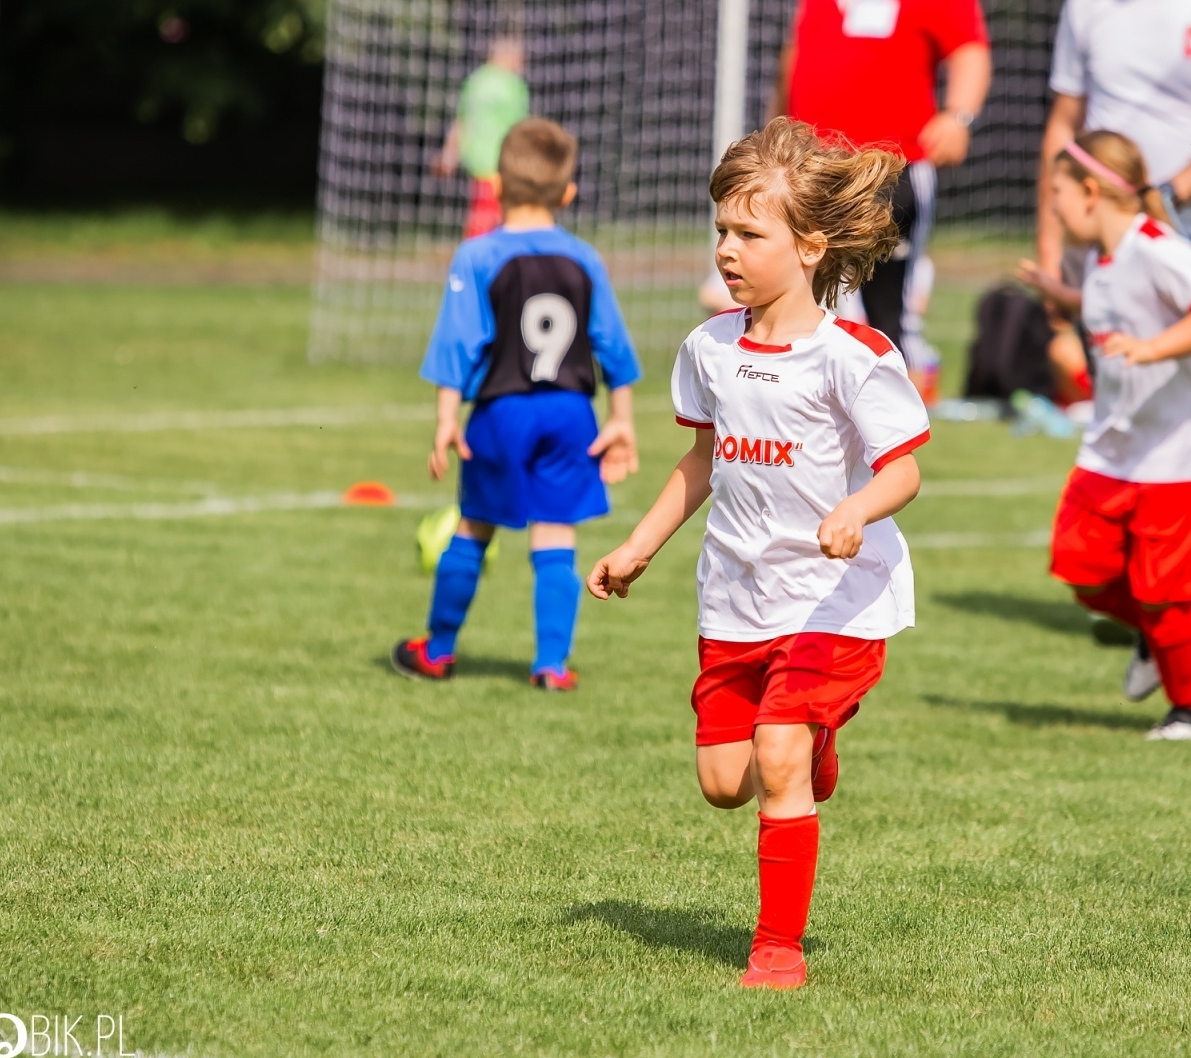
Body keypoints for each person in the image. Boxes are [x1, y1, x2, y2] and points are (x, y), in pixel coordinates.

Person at [587, 118, 930, 989]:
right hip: (736, 596)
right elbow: (701, 460)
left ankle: (776, 949)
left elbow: (905, 472)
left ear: (811, 247)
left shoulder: (853, 357)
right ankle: (810, 749)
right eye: (722, 233)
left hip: (836, 599)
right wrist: (637, 546)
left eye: (749, 234)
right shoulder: (709, 349)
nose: (728, 251)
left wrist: (857, 507)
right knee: (722, 781)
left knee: (775, 755)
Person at [396, 118, 641, 691]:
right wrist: (622, 419)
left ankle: (437, 650)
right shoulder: (584, 259)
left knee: (474, 529)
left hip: (502, 412)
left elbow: (457, 346)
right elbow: (614, 347)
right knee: (556, 533)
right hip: (570, 414)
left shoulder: (477, 256)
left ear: (498, 188)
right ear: (568, 194)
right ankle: (551, 665)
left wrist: (444, 422)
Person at [1020, 131, 1191, 741]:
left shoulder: (1157, 246)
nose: (1056, 208)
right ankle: (1153, 635)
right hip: (1115, 445)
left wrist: (1152, 348)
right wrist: (1060, 295)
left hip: (1180, 452)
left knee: (1165, 593)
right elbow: (1111, 310)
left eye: (1059, 194)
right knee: (1079, 565)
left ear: (1091, 192)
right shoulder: (1103, 256)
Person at [1038, 0, 1191, 519]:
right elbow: (1065, 123)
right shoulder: (1084, 8)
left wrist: (1164, 198)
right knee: (1120, 395)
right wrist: (1051, 241)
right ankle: (1125, 551)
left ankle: (1189, 557)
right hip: (1109, 242)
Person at [767, 0, 992, 403]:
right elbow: (796, 56)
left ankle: (891, 429)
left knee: (887, 308)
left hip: (891, 168)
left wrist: (958, 116)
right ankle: (799, 409)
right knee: (798, 294)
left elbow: (969, 49)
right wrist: (772, 135)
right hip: (809, 165)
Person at [433, 38, 529, 238]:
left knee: (485, 215)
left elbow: (461, 122)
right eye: (519, 58)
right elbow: (521, 128)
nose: (522, 63)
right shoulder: (512, 85)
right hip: (502, 161)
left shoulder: (476, 80)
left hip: (478, 164)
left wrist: (449, 154)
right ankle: (478, 260)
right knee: (498, 219)